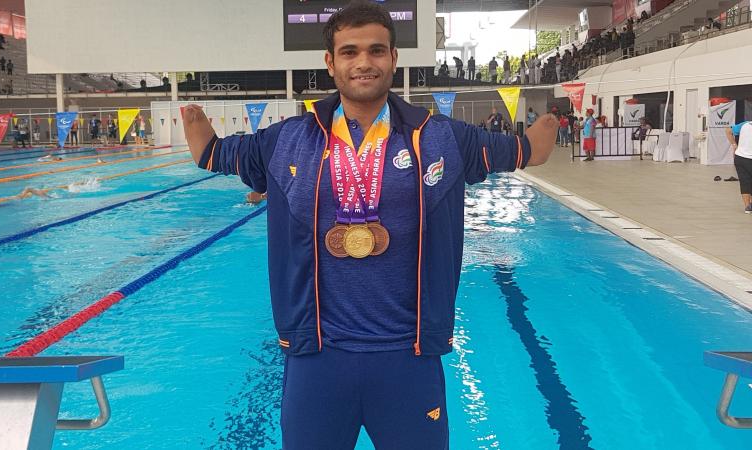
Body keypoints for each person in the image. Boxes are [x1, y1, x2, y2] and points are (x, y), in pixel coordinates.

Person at [182, 4, 557, 448]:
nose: (363, 62)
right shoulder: (288, 139)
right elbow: (213, 154)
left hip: (409, 357)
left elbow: (529, 152)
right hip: (317, 356)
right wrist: (193, 121)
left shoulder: (441, 137)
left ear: (393, 58)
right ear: (330, 62)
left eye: (376, 50)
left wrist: (550, 122)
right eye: (350, 51)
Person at [725, 120, 752, 213]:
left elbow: (728, 130)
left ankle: (747, 207)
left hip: (740, 158)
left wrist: (734, 145)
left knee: (745, 182)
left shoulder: (745, 124)